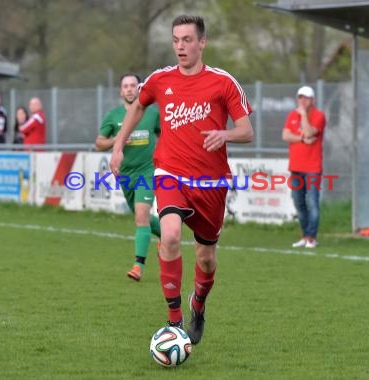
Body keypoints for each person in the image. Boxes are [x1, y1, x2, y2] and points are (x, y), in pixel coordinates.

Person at [109, 15, 253, 345]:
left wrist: (225, 133)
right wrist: (118, 145)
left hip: (211, 183)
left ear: (202, 42)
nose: (180, 46)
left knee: (206, 256)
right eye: (176, 40)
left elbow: (247, 130)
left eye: (187, 40)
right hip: (170, 172)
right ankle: (174, 322)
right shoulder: (160, 79)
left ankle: (197, 306)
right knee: (170, 235)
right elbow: (136, 107)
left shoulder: (223, 82)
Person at [95, 73, 161, 281]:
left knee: (141, 216)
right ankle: (167, 235)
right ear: (120, 91)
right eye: (126, 86)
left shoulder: (152, 114)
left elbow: (165, 134)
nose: (130, 89)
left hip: (147, 171)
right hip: (125, 175)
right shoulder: (114, 116)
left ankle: (138, 265)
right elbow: (99, 143)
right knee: (141, 218)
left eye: (133, 85)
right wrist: (118, 139)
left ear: (139, 89)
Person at [282, 85, 326, 248]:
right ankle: (305, 235)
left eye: (306, 98)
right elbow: (285, 135)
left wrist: (303, 117)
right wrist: (301, 139)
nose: (302, 100)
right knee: (298, 202)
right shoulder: (291, 115)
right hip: (296, 167)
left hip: (313, 168)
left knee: (312, 202)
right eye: (300, 97)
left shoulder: (319, 116)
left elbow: (309, 132)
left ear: (312, 100)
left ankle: (312, 238)